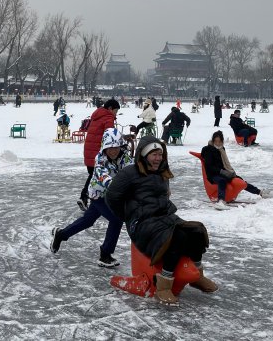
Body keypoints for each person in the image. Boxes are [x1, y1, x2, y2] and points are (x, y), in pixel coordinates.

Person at [105, 136, 217, 305]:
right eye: (154, 154)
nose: (158, 158)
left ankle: (197, 277)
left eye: (160, 154)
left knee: (196, 230)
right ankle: (164, 284)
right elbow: (112, 197)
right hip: (143, 222)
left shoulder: (162, 172)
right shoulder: (130, 173)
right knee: (177, 236)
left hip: (165, 217)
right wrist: (128, 217)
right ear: (143, 155)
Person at [51, 128, 131, 267]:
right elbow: (104, 177)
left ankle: (61, 235)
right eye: (109, 148)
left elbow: (132, 171)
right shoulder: (100, 159)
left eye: (116, 147)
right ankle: (105, 254)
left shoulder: (125, 157)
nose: (113, 151)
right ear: (104, 147)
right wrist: (118, 188)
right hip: (98, 195)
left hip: (112, 196)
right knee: (116, 219)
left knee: (87, 221)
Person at [201, 131, 271, 208]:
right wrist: (222, 172)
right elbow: (209, 166)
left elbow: (225, 164)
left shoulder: (221, 149)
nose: (218, 143)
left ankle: (260, 192)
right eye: (216, 141)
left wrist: (228, 172)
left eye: (219, 141)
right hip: (213, 175)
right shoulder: (208, 150)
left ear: (222, 141)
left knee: (240, 180)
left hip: (223, 173)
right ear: (213, 141)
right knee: (222, 181)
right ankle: (221, 201)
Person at [80, 98, 120, 211]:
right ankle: (85, 196)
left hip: (89, 149)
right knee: (97, 175)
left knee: (94, 174)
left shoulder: (97, 115)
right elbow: (110, 136)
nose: (115, 114)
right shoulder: (108, 117)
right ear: (110, 108)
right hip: (97, 151)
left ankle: (91, 199)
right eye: (115, 111)